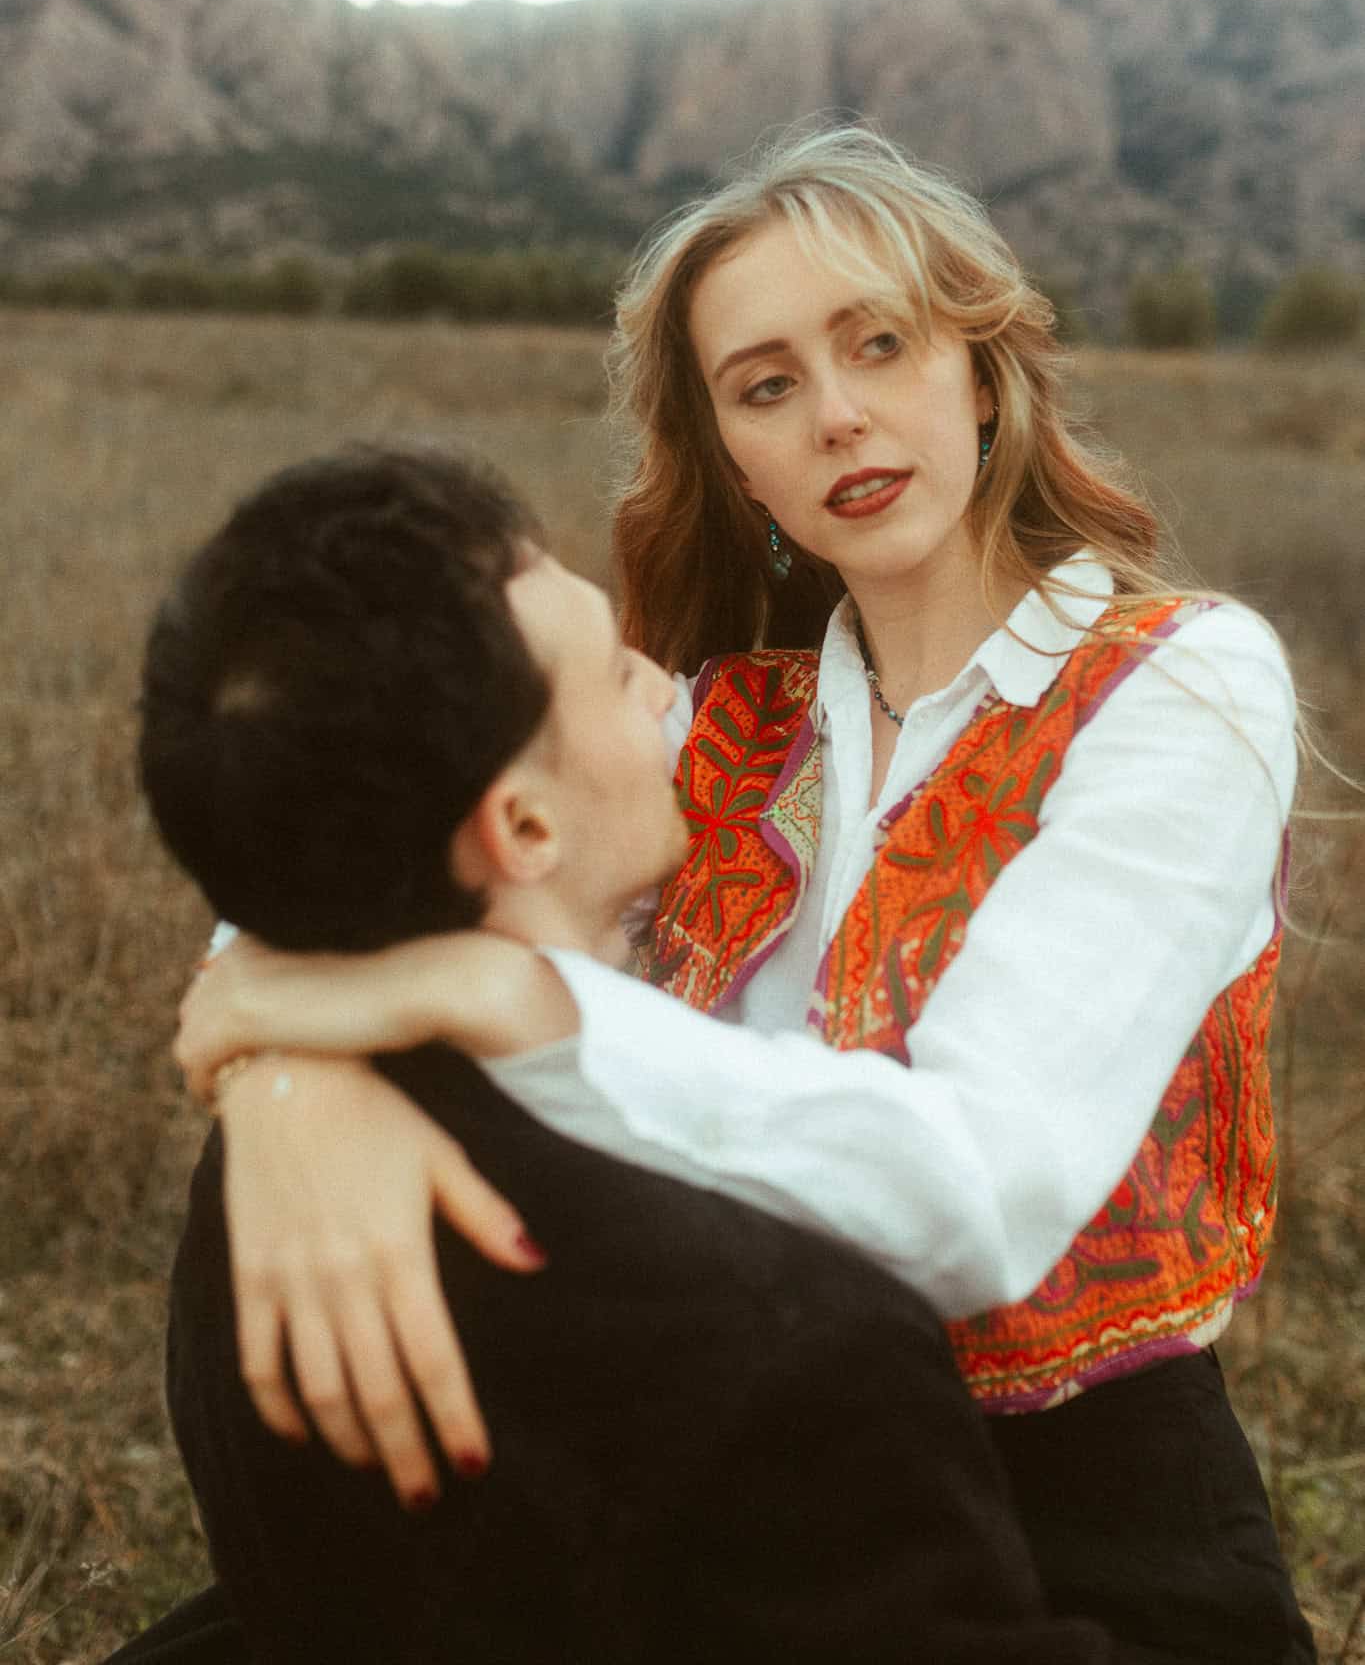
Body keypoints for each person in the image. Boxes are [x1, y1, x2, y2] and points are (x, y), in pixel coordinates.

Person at [176, 125, 1317, 1664]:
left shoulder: (1181, 685)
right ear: (732, 457)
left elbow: (979, 1197)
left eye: (881, 345)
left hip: (1086, 1521)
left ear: (978, 370)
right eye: (768, 385)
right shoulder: (720, 714)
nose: (840, 415)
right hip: (728, 1461)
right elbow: (359, 827)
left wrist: (501, 1002)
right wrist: (292, 1074)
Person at [116, 444, 1110, 1665]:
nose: (660, 685)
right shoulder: (796, 1337)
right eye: (611, 666)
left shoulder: (259, 1198)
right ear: (523, 824)